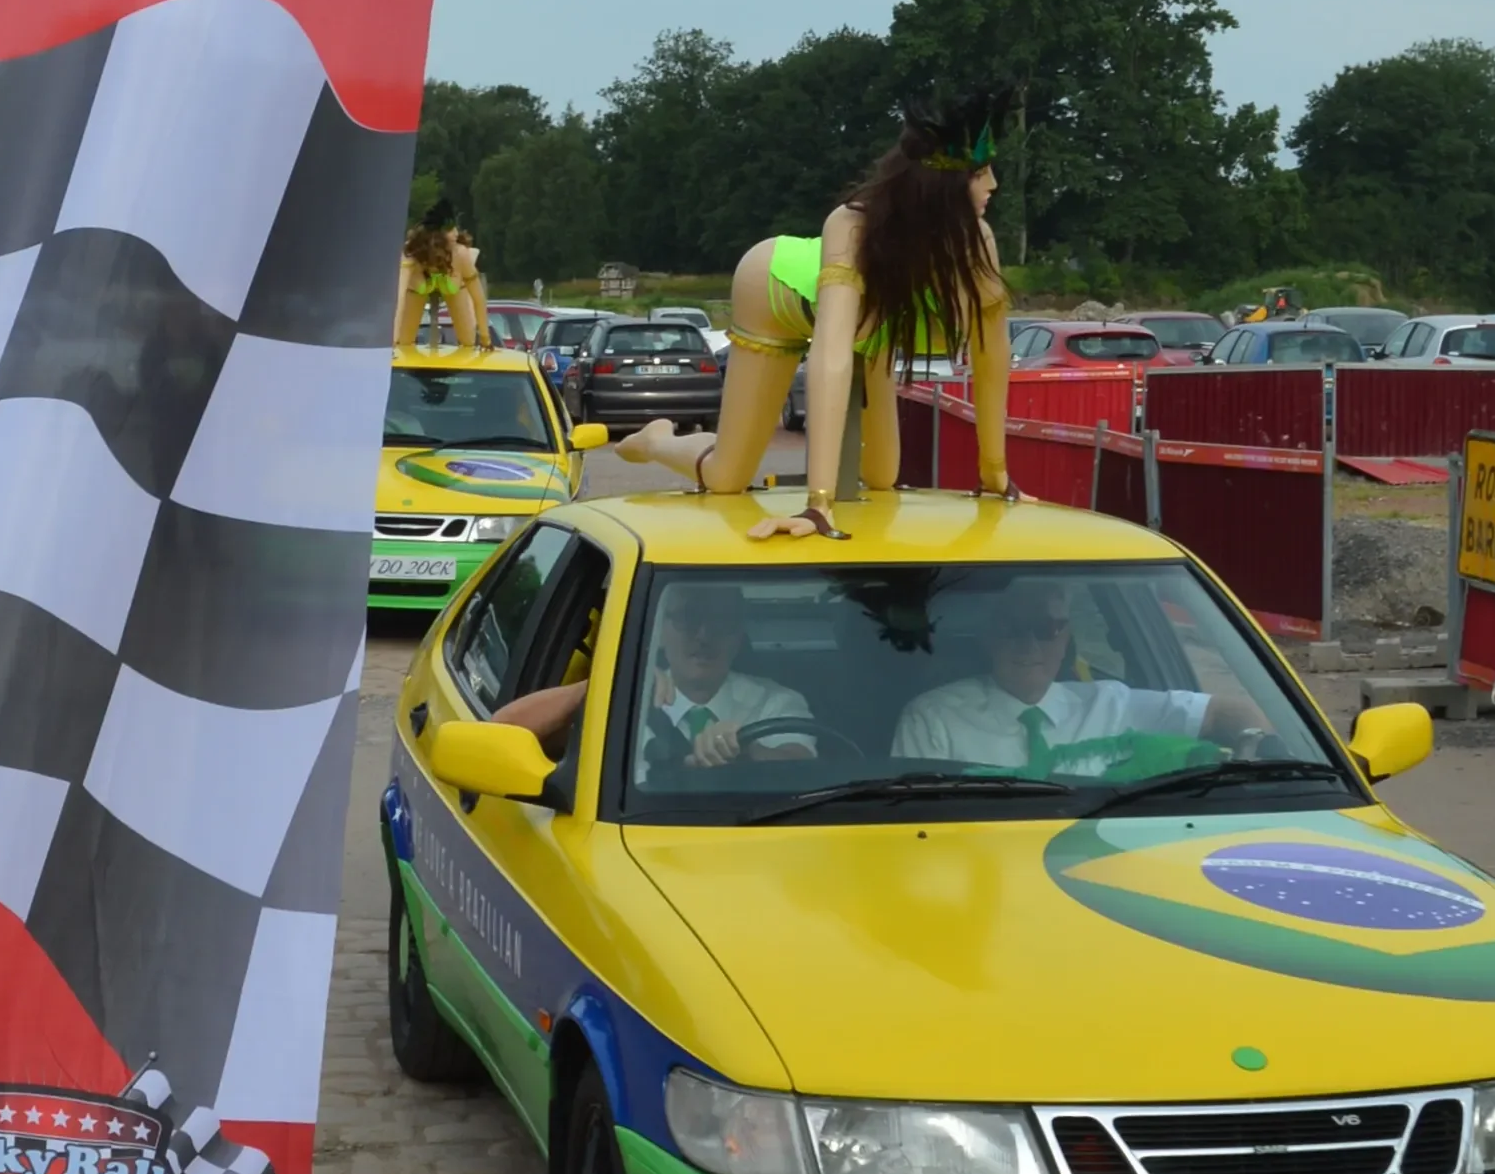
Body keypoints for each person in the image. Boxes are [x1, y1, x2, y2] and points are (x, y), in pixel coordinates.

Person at [617, 92, 1014, 538]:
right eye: (981, 174)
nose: (993, 185)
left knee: (883, 476)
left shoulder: (978, 241)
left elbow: (991, 353)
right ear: (942, 187)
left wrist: (994, 471)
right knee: (726, 478)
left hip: (870, 324)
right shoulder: (851, 226)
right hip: (773, 294)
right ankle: (657, 440)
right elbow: (830, 356)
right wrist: (818, 504)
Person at [892, 578, 1268, 777]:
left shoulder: (1112, 703)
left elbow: (1228, 713)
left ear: (1066, 637)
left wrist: (1264, 756)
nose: (1029, 644)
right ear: (989, 637)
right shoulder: (933, 719)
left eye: (1045, 629)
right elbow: (913, 828)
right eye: (1012, 628)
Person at [495, 580, 814, 772]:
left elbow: (804, 766)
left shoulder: (774, 702)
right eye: (688, 618)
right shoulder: (622, 699)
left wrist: (748, 753)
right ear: (659, 631)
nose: (703, 636)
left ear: (739, 634)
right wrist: (611, 683)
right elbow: (499, 734)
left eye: (721, 621)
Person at [394, 201, 490, 352]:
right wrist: (393, 340)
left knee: (468, 343)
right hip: (416, 289)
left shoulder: (460, 255)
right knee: (403, 344)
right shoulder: (411, 255)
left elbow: (478, 298)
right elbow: (398, 297)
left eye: (455, 228)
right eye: (449, 230)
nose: (456, 234)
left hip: (454, 284)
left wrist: (485, 338)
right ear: (435, 235)